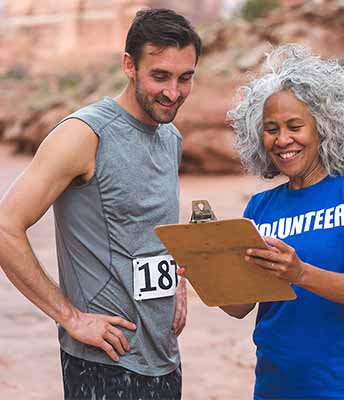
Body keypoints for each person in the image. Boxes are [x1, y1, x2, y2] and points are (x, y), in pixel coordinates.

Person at [0, 8, 202, 399]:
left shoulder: (170, 137)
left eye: (185, 78)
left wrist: (176, 283)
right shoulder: (84, 134)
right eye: (159, 76)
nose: (173, 92)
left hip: (164, 357)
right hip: (102, 365)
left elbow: (147, 230)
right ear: (129, 65)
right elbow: (5, 226)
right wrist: (70, 317)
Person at [225, 44, 344, 399]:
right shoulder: (259, 207)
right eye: (271, 129)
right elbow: (240, 306)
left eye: (294, 126)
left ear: (324, 128)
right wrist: (200, 264)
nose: (282, 139)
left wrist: (299, 273)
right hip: (275, 385)